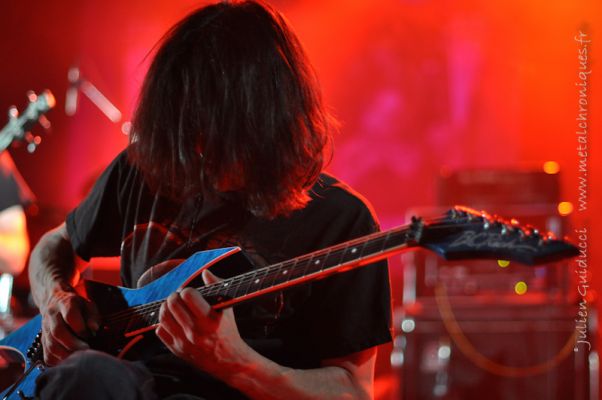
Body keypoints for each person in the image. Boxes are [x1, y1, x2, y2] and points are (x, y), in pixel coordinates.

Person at [29, 1, 392, 399]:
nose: (193, 146)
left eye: (208, 126)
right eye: (181, 123)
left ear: (264, 117)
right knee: (86, 374)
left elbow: (353, 390)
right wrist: (55, 298)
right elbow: (55, 244)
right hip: (120, 384)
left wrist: (235, 362)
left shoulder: (340, 219)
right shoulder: (147, 167)